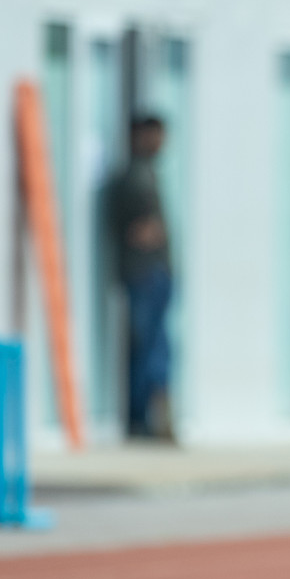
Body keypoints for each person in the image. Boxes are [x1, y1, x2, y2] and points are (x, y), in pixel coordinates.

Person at [106, 115, 175, 440]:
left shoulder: (143, 173)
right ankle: (142, 420)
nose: (162, 143)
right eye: (157, 136)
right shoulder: (135, 177)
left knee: (153, 346)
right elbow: (140, 231)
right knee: (150, 348)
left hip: (150, 274)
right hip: (146, 274)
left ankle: (147, 418)